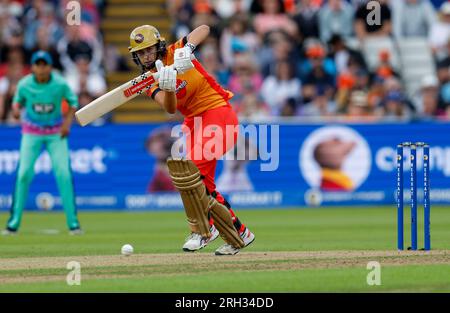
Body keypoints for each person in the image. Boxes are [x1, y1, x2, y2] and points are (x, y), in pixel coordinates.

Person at [128, 24, 255, 255]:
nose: (146, 55)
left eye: (149, 49)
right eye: (141, 52)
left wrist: (188, 49)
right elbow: (169, 109)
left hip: (217, 112)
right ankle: (239, 232)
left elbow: (205, 28)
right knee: (198, 183)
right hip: (194, 123)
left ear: (158, 46)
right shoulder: (148, 80)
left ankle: (203, 231)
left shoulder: (176, 51)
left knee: (192, 175)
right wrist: (167, 88)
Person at [2, 51, 82, 235]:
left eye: (44, 64)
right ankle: (13, 224)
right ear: (32, 67)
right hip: (31, 132)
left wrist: (67, 125)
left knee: (63, 174)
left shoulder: (60, 83)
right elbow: (17, 102)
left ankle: (73, 224)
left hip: (56, 134)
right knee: (23, 174)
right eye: (37, 64)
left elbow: (73, 103)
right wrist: (15, 110)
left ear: (50, 67)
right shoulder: (25, 84)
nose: (41, 68)